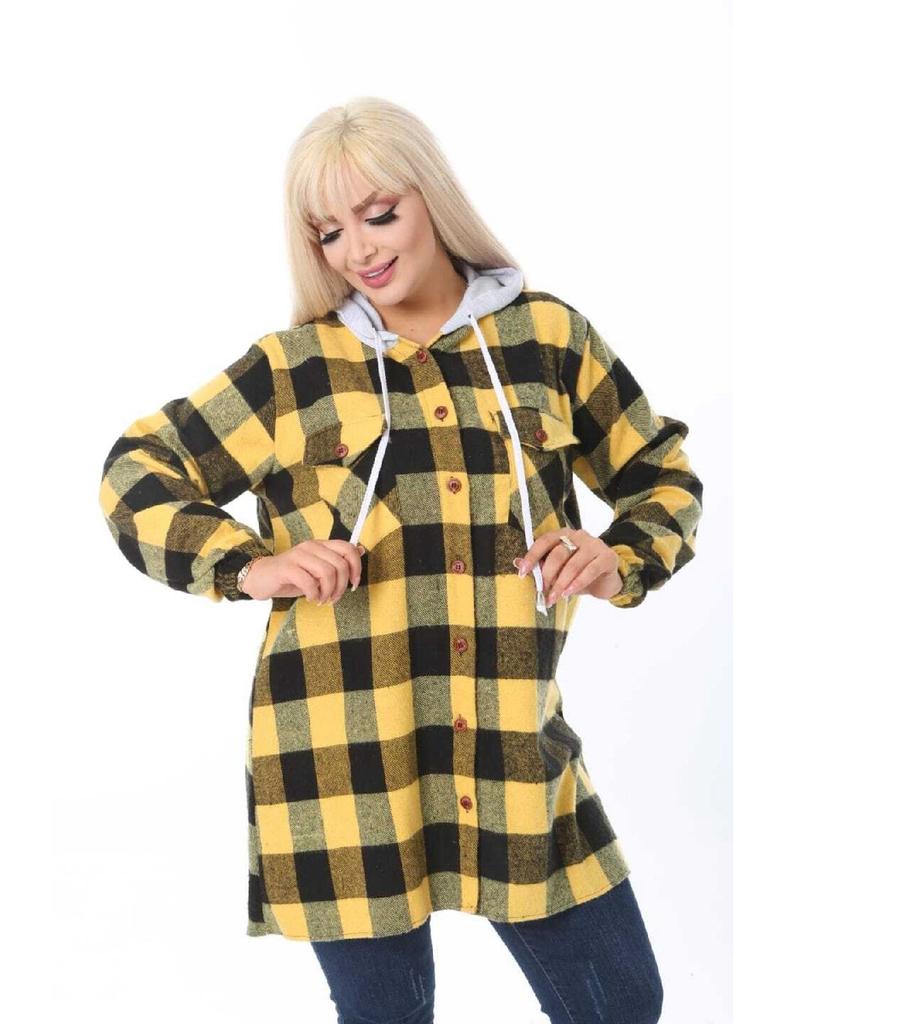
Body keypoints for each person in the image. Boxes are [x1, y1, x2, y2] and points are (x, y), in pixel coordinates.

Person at [98, 96, 703, 1024]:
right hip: (340, 762)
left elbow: (661, 473)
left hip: (513, 745)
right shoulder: (295, 368)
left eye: (379, 215)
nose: (359, 251)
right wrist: (248, 565)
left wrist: (617, 556)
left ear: (434, 198)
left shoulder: (546, 339)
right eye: (329, 232)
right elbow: (136, 470)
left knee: (620, 1001)